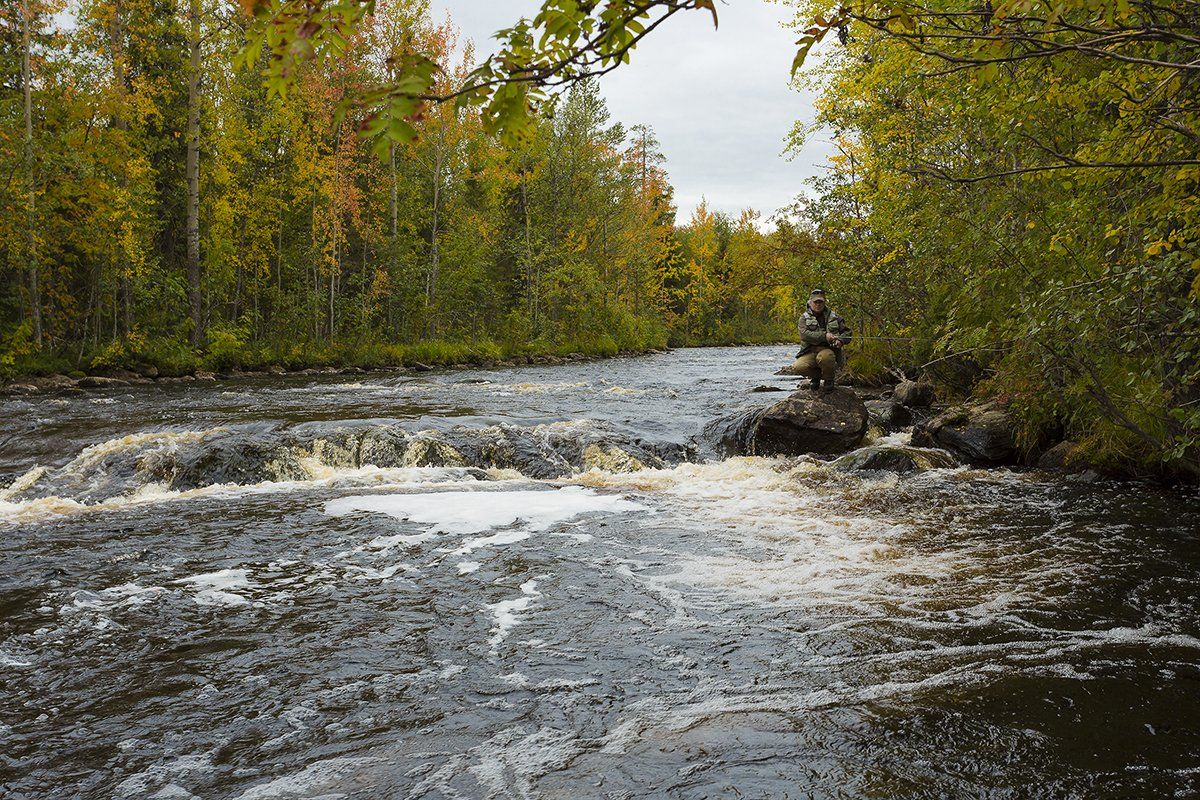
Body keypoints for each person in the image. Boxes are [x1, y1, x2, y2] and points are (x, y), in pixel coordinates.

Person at [792, 288, 852, 392]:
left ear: (824, 303)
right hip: (810, 351)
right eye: (815, 302)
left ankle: (829, 379)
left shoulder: (835, 317)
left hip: (828, 350)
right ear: (810, 303)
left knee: (825, 357)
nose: (818, 304)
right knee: (798, 367)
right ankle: (816, 377)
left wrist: (840, 341)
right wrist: (824, 336)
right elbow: (804, 335)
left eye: (820, 302)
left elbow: (847, 333)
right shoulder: (804, 318)